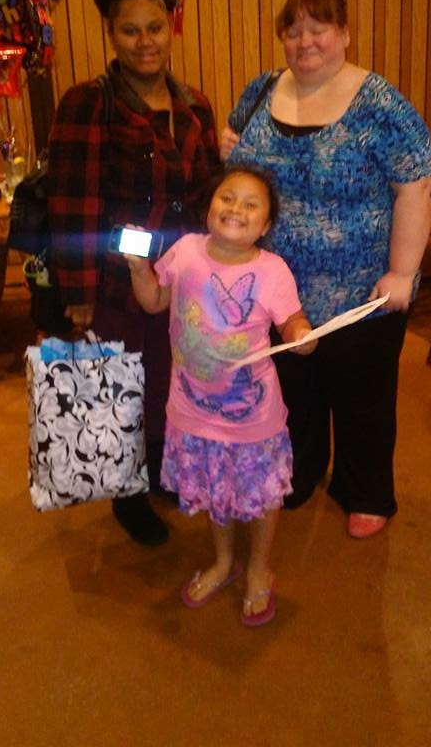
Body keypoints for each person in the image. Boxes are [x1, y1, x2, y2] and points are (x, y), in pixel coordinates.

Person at [220, 0, 431, 539]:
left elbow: (416, 184)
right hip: (278, 291)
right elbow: (232, 139)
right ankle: (302, 470)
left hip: (362, 293)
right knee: (295, 391)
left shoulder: (378, 103)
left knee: (363, 398)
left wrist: (403, 272)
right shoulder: (262, 89)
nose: (305, 41)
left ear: (344, 34)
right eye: (293, 31)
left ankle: (365, 492)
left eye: (318, 29)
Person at [46, 0, 221, 546]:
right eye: (130, 30)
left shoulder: (195, 103)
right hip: (117, 278)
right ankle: (125, 493)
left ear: (171, 26)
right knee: (116, 385)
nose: (145, 42)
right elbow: (72, 200)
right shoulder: (88, 102)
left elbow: (208, 191)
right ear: (110, 32)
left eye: (154, 27)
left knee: (170, 380)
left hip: (181, 277)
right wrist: (77, 295)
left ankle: (161, 470)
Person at [126, 166, 316, 626]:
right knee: (216, 492)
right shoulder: (186, 250)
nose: (236, 209)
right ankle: (225, 561)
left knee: (261, 496)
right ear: (210, 206)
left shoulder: (272, 270)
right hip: (192, 410)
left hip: (252, 419)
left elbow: (293, 321)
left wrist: (302, 335)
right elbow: (154, 302)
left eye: (251, 204)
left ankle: (259, 569)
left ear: (265, 225)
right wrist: (138, 268)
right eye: (227, 197)